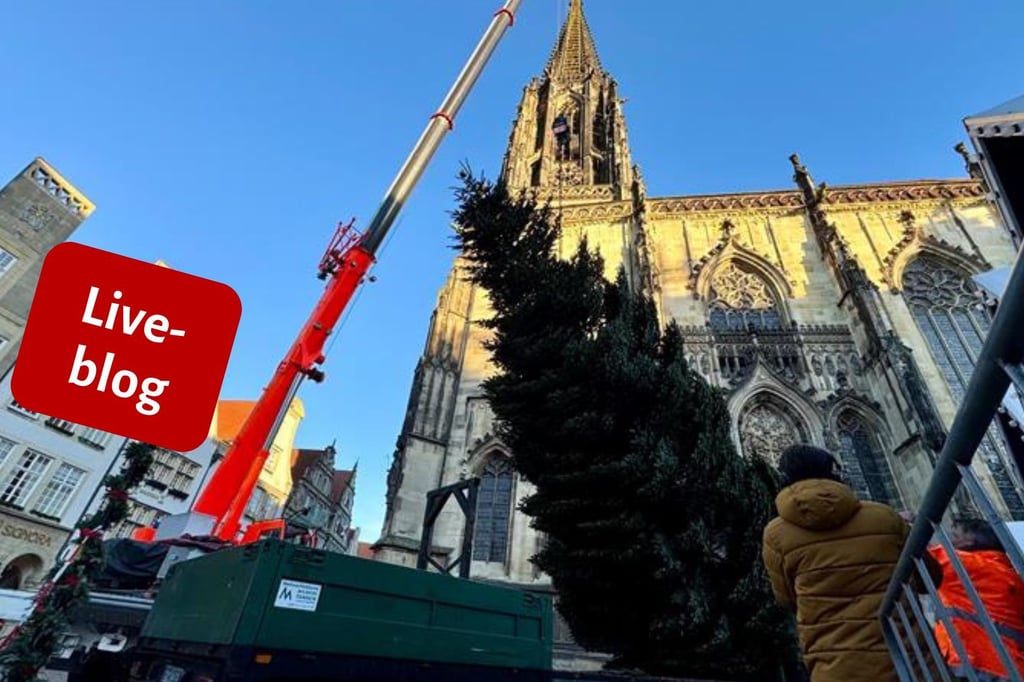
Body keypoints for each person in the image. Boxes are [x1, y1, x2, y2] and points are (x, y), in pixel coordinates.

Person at [762, 444, 931, 682]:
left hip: (836, 665)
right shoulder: (885, 516)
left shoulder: (775, 534)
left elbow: (786, 598)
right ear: (833, 473)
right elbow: (929, 578)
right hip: (908, 658)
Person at [929, 517, 1024, 681]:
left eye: (954, 536)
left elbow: (919, 555)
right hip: (1010, 667)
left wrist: (901, 525)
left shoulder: (966, 565)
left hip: (980, 666)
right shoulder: (1010, 575)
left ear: (969, 541)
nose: (949, 541)